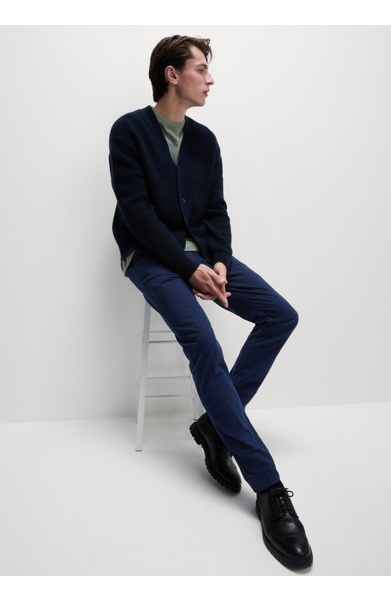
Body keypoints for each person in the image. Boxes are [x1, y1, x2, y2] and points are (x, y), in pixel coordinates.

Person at [109, 35, 313, 570]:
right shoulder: (128, 131)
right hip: (151, 259)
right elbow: (137, 215)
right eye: (201, 68)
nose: (210, 78)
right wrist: (187, 269)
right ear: (172, 74)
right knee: (202, 340)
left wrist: (218, 262)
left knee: (279, 315)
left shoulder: (206, 141)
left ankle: (214, 426)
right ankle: (269, 488)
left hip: (205, 256)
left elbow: (217, 211)